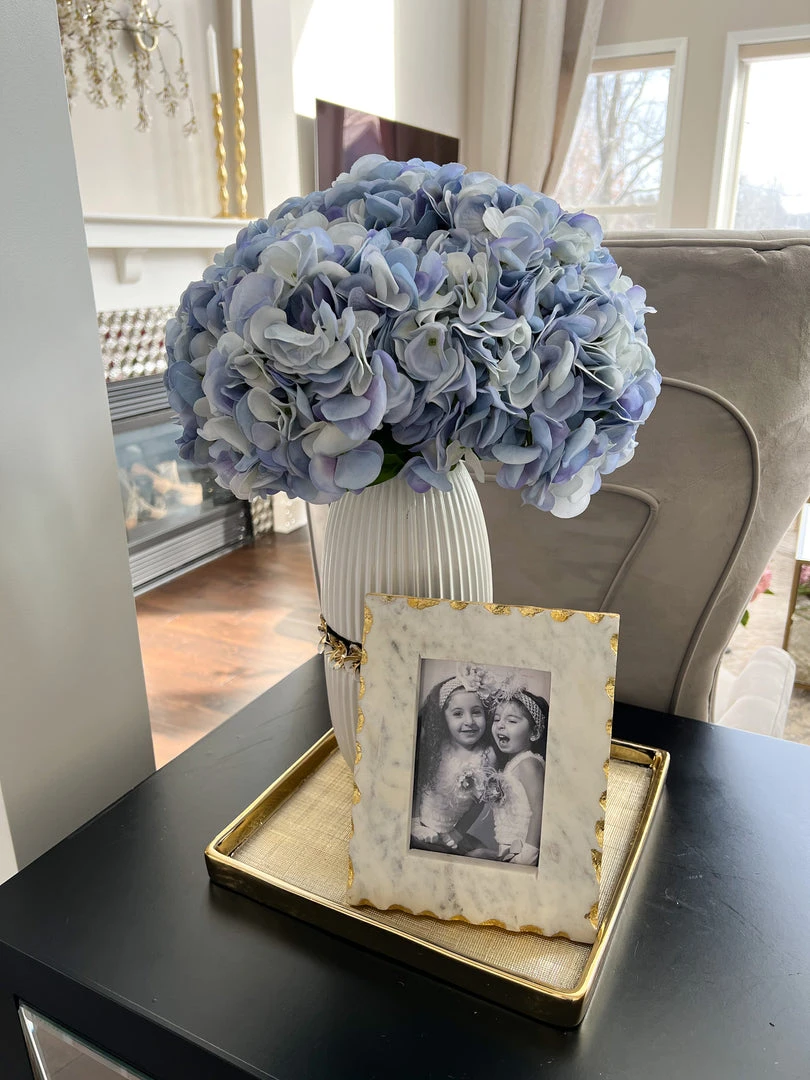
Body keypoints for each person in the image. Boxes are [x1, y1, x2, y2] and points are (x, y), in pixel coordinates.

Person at [411, 665, 497, 854]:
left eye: (476, 712)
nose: (469, 721)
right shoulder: (436, 746)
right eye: (458, 714)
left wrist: (458, 833)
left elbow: (479, 802)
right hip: (419, 824)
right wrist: (415, 822)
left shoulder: (486, 755)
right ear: (444, 718)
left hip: (450, 834)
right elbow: (417, 783)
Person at [488, 683, 547, 866]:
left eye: (512, 721)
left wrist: (528, 855)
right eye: (497, 719)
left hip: (524, 854)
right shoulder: (511, 765)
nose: (500, 725)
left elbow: (539, 811)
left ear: (534, 733)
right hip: (508, 852)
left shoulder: (528, 764)